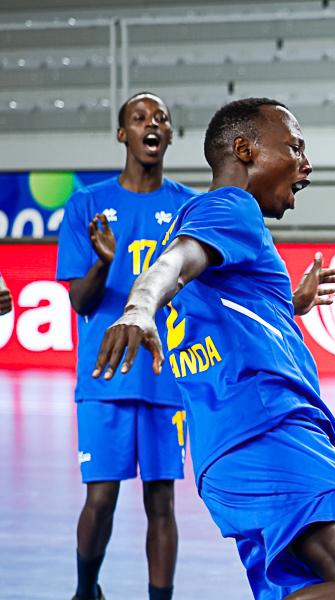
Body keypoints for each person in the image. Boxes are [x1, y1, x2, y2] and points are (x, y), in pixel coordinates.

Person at [92, 97, 335, 600]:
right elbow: (174, 265)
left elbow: (213, 296)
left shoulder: (206, 225)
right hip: (270, 435)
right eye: (295, 148)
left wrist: (289, 304)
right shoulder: (230, 206)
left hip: (230, 452)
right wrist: (138, 307)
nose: (306, 165)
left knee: (329, 587)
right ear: (244, 149)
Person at [55, 92, 196, 600]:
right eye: (139, 118)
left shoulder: (188, 207)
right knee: (102, 498)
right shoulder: (87, 206)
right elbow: (80, 302)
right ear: (123, 135)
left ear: (170, 135)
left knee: (163, 502)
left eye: (160, 118)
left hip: (166, 377)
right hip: (105, 377)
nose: (151, 124)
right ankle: (85, 590)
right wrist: (103, 263)